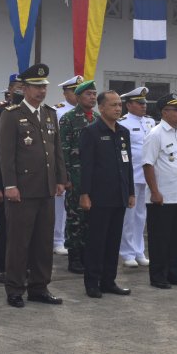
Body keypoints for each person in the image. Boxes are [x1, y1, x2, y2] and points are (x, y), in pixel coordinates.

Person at [0, 63, 66, 308]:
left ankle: (39, 287)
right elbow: (6, 155)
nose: (41, 91)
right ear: (24, 88)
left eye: (44, 87)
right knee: (19, 242)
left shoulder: (49, 114)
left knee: (43, 242)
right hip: (22, 189)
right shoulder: (12, 114)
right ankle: (15, 289)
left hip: (46, 188)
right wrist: (9, 186)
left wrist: (60, 179)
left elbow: (56, 151)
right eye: (36, 87)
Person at [79, 90, 135, 298]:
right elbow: (86, 166)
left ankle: (108, 281)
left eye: (120, 105)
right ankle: (92, 283)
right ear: (101, 108)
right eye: (113, 105)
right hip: (99, 196)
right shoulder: (91, 132)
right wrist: (84, 193)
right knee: (97, 241)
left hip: (119, 195)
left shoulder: (123, 132)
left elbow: (127, 164)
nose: (118, 108)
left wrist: (130, 191)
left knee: (113, 241)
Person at [142, 92, 177, 289]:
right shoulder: (155, 134)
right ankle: (158, 277)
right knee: (160, 239)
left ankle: (174, 274)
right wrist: (154, 191)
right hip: (163, 197)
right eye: (176, 109)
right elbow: (147, 165)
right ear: (164, 112)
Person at [59, 79, 99, 274]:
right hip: (75, 177)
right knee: (75, 219)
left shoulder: (98, 118)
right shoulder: (68, 118)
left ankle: (87, 255)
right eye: (87, 94)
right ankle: (74, 257)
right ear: (78, 97)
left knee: (92, 219)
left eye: (94, 94)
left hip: (95, 178)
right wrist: (65, 177)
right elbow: (62, 150)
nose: (92, 97)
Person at [0, 82, 24, 284]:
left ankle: (21, 266)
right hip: (5, 184)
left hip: (27, 184)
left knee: (24, 230)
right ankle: (1, 267)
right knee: (5, 228)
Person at [118, 87, 155, 267]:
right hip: (131, 174)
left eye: (144, 103)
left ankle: (139, 250)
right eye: (139, 103)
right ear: (129, 105)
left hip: (147, 175)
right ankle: (127, 252)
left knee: (142, 215)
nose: (143, 107)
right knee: (129, 215)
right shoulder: (123, 122)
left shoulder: (149, 123)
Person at [52, 75, 82, 255]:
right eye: (74, 91)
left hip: (80, 166)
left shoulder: (87, 112)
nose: (77, 95)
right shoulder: (58, 111)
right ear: (65, 93)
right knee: (60, 204)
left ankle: (71, 238)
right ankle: (57, 239)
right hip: (62, 162)